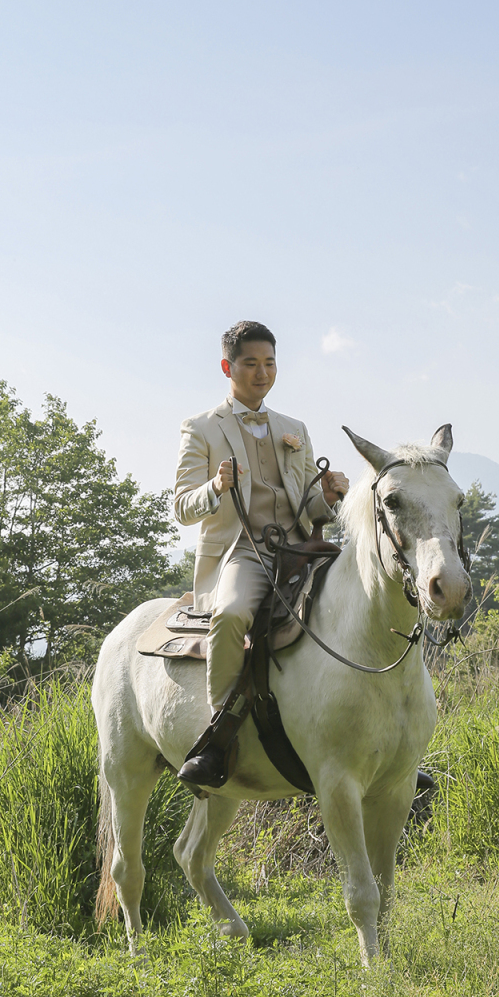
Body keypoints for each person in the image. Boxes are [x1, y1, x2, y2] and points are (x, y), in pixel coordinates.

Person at [174, 320, 349, 787]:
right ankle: (218, 738)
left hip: (302, 548)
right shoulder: (201, 428)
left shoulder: (295, 429)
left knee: (365, 594)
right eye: (250, 363)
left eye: (270, 363)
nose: (262, 373)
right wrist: (215, 487)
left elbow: (309, 507)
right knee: (231, 614)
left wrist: (329, 497)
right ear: (227, 367)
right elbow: (182, 507)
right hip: (245, 552)